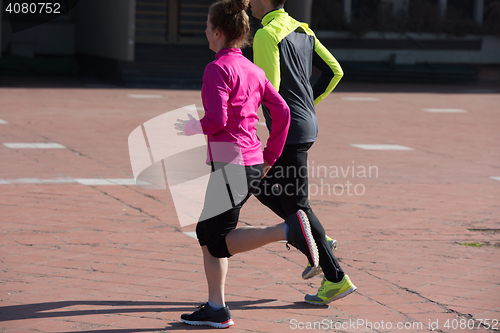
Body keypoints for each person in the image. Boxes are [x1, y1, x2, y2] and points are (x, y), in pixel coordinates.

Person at [175, 0, 321, 328]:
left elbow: (217, 119)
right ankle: (216, 306)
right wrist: (270, 156)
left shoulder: (216, 69)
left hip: (231, 163)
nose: (205, 33)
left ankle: (288, 229)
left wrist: (192, 127)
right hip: (251, 161)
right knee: (206, 231)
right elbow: (283, 112)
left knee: (217, 238)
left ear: (217, 32)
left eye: (206, 27)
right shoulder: (253, 69)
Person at [248, 0, 357, 305]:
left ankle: (335, 277)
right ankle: (315, 238)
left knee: (297, 205)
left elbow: (268, 88)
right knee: (258, 183)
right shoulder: (302, 29)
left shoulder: (266, 34)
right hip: (304, 125)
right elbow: (334, 71)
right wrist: (308, 105)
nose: (249, 4)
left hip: (289, 131)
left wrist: (248, 118)